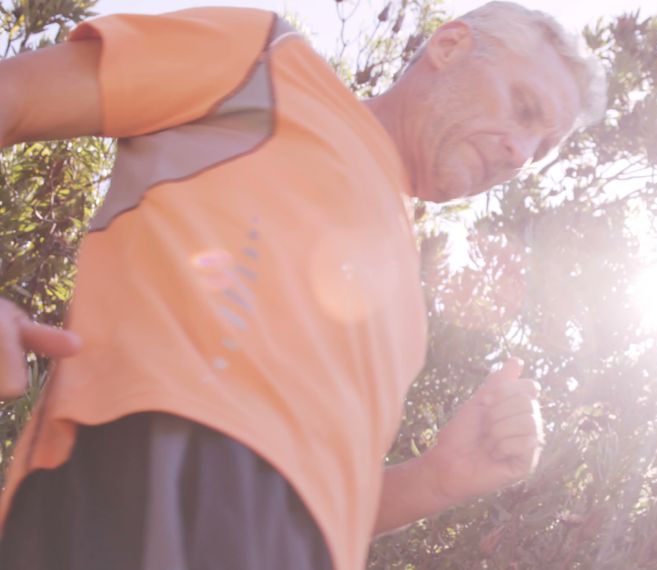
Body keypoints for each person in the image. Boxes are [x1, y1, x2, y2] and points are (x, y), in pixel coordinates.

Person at [0, 2, 605, 568]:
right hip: (133, 483)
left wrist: (438, 477)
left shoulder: (405, 312)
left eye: (542, 147)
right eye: (523, 109)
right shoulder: (265, 59)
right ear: (449, 46)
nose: (521, 154)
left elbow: (317, 505)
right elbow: (16, 94)